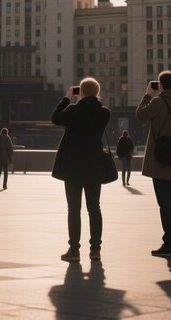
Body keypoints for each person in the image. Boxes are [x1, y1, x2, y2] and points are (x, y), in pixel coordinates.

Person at [51, 77, 111, 262]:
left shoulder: (73, 110)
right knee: (94, 208)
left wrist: (67, 98)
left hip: (73, 166)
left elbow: (55, 118)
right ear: (97, 92)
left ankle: (74, 250)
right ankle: (95, 250)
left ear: (81, 92)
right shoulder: (104, 113)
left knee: (74, 208)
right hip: (94, 165)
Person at [136, 70, 171, 257]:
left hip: (159, 156)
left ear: (160, 85)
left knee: (164, 201)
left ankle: (170, 242)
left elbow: (140, 114)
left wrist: (147, 95)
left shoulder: (157, 102)